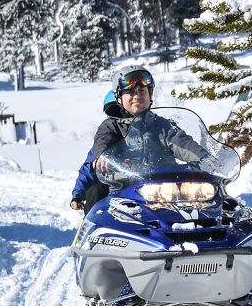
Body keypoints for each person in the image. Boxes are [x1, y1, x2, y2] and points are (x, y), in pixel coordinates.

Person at [69, 66, 208, 212]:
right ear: (119, 98)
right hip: (121, 191)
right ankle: (94, 229)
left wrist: (204, 159)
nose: (137, 95)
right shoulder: (112, 126)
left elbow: (183, 144)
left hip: (163, 190)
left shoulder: (162, 126)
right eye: (130, 91)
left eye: (142, 90)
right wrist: (101, 156)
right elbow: (102, 142)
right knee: (96, 191)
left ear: (150, 95)